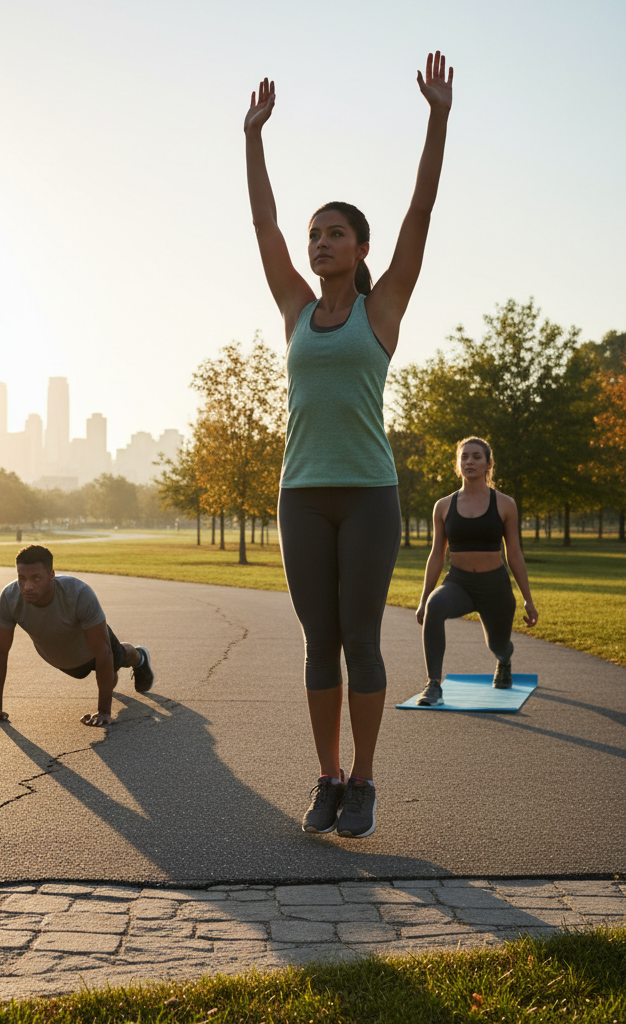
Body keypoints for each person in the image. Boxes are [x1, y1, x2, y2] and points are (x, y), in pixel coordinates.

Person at [245, 52, 454, 838]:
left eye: (335, 233)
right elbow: (263, 225)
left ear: (362, 249)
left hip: (368, 493)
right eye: (316, 235)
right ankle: (327, 777)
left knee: (362, 642)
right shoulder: (296, 310)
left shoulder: (382, 308)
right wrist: (252, 138)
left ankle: (364, 780)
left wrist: (437, 118)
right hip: (301, 494)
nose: (319, 243)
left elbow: (420, 213)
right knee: (318, 644)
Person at [414, 437, 539, 705]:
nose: (469, 461)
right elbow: (436, 555)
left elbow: (514, 554)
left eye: (476, 457)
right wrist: (424, 599)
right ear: (458, 464)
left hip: (495, 586)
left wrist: (528, 599)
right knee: (436, 605)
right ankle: (433, 684)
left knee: (498, 645)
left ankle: (504, 660)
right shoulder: (443, 506)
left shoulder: (505, 504)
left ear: (488, 464)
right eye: (464, 457)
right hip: (458, 584)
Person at [0, 545, 154, 727]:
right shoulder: (9, 597)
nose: (27, 586)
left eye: (36, 578)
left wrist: (104, 712)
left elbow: (102, 651)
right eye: (22, 578)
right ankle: (110, 675)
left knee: (118, 658)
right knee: (109, 677)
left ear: (51, 575)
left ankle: (140, 658)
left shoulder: (79, 593)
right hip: (66, 660)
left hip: (94, 646)